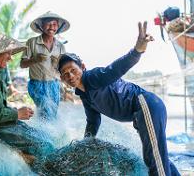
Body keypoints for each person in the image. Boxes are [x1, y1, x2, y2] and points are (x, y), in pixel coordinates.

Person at [57, 22, 180, 176]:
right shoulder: (84, 94)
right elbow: (93, 121)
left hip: (145, 104)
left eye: (73, 70)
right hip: (140, 113)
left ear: (82, 67)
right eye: (65, 73)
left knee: (154, 161)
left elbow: (116, 69)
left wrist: (137, 51)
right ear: (62, 78)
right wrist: (84, 145)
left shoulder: (92, 77)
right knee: (156, 156)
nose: (71, 76)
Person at [0, 33, 54, 164]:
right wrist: (16, 114)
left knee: (44, 137)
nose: (10, 58)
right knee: (43, 146)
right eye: (8, 53)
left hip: (3, 123)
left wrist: (17, 113)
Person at [20, 11, 70, 120]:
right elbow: (22, 64)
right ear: (41, 25)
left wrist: (57, 63)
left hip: (54, 85)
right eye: (48, 23)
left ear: (58, 27)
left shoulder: (60, 46)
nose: (52, 27)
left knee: (51, 113)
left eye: (55, 24)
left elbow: (64, 69)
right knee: (46, 110)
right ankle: (46, 134)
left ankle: (45, 133)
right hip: (36, 84)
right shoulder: (32, 42)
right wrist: (35, 60)